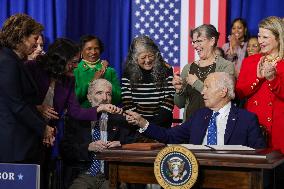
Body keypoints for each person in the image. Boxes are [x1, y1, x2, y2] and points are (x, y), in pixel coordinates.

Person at [125, 72, 266, 149]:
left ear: (223, 92)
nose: (202, 92)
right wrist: (143, 123)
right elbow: (169, 136)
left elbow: (258, 156)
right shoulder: (199, 116)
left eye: (207, 87)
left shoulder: (246, 119)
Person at [0, 13, 54, 163]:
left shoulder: (14, 60)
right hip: (14, 146)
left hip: (22, 143)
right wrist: (43, 127)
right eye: (35, 39)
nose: (36, 44)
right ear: (22, 36)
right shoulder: (7, 62)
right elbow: (17, 105)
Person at [61, 79, 129, 189]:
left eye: (108, 94)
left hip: (111, 175)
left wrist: (121, 144)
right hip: (85, 175)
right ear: (89, 97)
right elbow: (65, 150)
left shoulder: (120, 120)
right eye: (99, 93)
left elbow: (136, 141)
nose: (104, 98)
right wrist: (88, 147)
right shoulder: (77, 119)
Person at [236, 16, 284, 152]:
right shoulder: (250, 61)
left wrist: (272, 79)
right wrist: (258, 79)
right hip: (255, 129)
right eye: (259, 36)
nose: (260, 41)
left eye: (265, 37)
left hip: (279, 131)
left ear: (278, 38)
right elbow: (239, 93)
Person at [173, 24, 235, 121]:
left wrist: (196, 83)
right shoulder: (188, 68)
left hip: (214, 127)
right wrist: (178, 90)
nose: (195, 46)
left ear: (212, 41)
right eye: (193, 42)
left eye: (199, 41)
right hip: (189, 127)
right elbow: (179, 104)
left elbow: (224, 97)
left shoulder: (225, 66)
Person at [121, 35, 175, 129]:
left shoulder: (166, 69)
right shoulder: (128, 72)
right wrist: (140, 123)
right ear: (135, 58)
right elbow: (127, 102)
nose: (147, 60)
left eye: (150, 56)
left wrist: (151, 127)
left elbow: (169, 100)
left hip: (161, 125)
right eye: (143, 57)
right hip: (135, 125)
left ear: (156, 55)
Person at [74, 35, 121, 107]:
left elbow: (118, 98)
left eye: (96, 48)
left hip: (106, 115)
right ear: (81, 51)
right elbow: (73, 98)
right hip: (81, 116)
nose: (93, 52)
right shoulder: (75, 71)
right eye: (89, 49)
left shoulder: (109, 71)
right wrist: (92, 82)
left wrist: (104, 82)